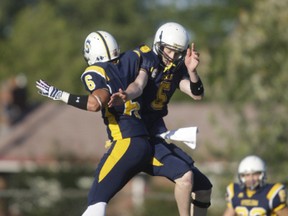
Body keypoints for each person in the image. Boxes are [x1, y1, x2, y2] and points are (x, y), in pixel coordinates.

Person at [36, 31, 158, 216]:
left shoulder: (96, 71)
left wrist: (58, 94)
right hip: (146, 141)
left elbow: (95, 103)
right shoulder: (130, 58)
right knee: (191, 179)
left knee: (96, 201)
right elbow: (147, 51)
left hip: (125, 141)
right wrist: (145, 70)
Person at [109, 22, 212, 216]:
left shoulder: (177, 69)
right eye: (169, 50)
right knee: (185, 177)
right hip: (140, 136)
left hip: (156, 136)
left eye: (177, 52)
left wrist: (192, 71)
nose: (172, 56)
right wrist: (127, 95)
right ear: (159, 44)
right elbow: (139, 85)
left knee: (204, 188)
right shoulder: (148, 60)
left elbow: (197, 94)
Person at [223, 155, 288, 216]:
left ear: (262, 174)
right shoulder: (235, 192)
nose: (251, 179)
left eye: (255, 174)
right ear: (241, 176)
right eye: (247, 175)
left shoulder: (271, 193)